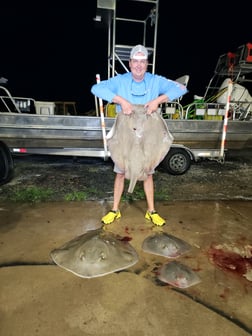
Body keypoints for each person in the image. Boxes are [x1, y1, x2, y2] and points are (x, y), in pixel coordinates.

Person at [91, 44, 188, 226]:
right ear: (130, 63)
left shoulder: (155, 81)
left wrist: (158, 100)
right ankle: (115, 210)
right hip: (126, 134)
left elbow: (181, 89)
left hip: (148, 133)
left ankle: (151, 211)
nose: (138, 65)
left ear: (147, 64)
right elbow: (96, 89)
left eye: (142, 62)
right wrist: (121, 101)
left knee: (148, 172)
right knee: (120, 171)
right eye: (135, 61)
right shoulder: (120, 80)